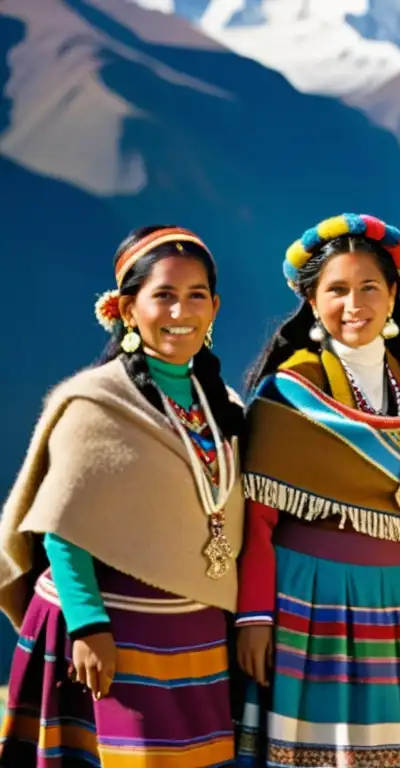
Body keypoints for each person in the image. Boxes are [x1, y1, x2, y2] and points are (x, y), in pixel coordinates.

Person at [235, 213, 400, 767]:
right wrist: (255, 618)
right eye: (336, 290)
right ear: (312, 303)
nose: (354, 304)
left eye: (369, 287)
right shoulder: (289, 393)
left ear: (393, 296)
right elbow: (259, 521)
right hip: (310, 597)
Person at [0, 226, 244, 766]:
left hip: (192, 631)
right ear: (127, 309)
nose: (181, 310)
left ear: (215, 307)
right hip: (109, 633)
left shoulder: (221, 404)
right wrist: (88, 628)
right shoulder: (96, 402)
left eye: (196, 295)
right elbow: (63, 525)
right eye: (163, 295)